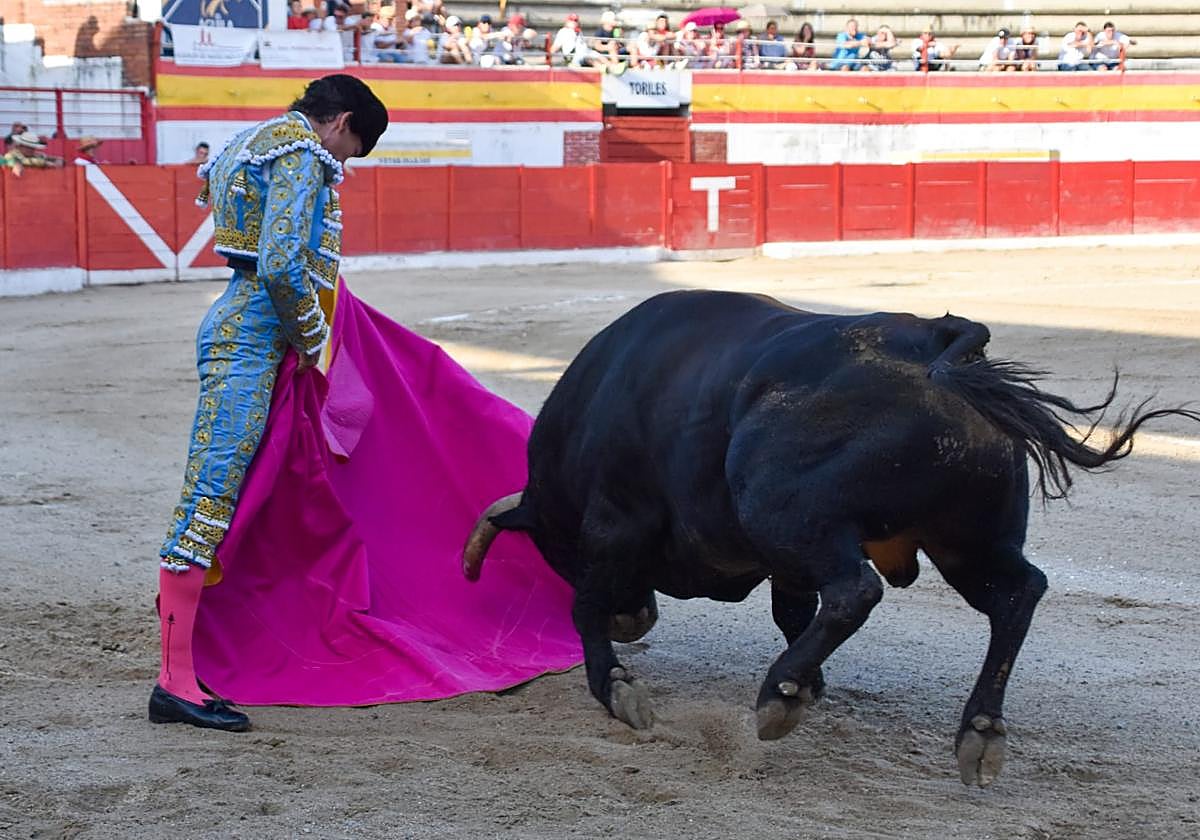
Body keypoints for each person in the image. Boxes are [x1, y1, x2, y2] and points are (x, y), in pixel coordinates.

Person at [150, 74, 388, 732]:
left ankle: (185, 669)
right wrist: (317, 339)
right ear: (338, 123)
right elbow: (283, 266)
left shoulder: (246, 142)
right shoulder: (302, 152)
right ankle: (173, 682)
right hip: (252, 340)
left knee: (227, 491)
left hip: (241, 325)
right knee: (211, 496)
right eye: (348, 151)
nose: (340, 165)